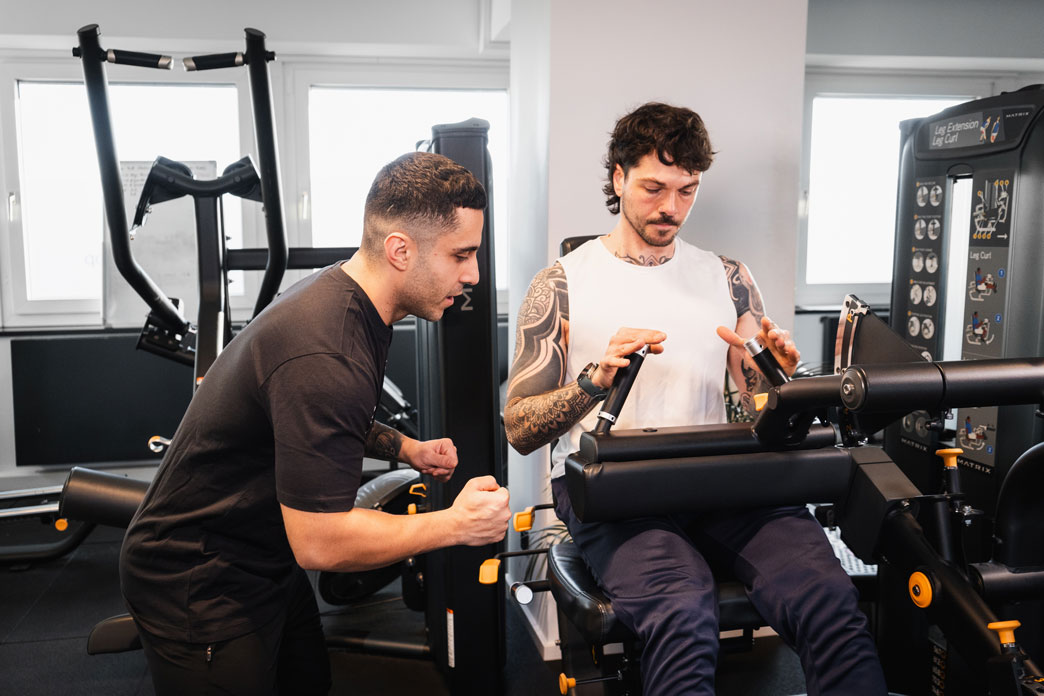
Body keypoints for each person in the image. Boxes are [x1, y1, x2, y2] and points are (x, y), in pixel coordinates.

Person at [504, 102, 886, 695]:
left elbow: (758, 404)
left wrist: (778, 377)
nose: (671, 207)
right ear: (618, 178)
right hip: (612, 488)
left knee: (828, 597)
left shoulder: (728, 277)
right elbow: (520, 428)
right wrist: (593, 380)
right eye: (654, 188)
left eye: (687, 190)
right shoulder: (560, 284)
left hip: (718, 478)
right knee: (682, 611)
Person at [120, 151, 512, 695]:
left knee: (307, 679)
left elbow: (316, 418)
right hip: (197, 575)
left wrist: (405, 448)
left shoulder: (349, 299)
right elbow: (322, 543)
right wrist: (456, 525)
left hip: (264, 553)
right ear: (400, 250)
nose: (473, 274)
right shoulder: (328, 350)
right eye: (461, 254)